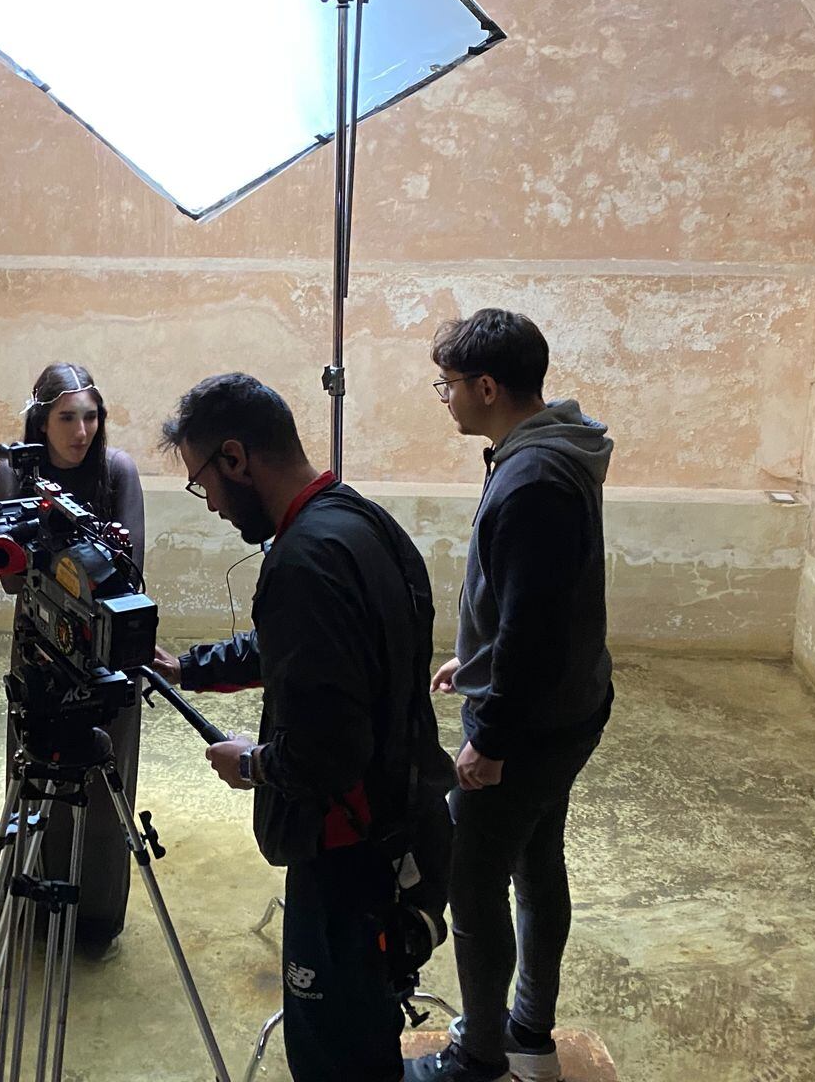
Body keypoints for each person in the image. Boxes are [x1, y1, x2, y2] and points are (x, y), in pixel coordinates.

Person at [150, 373, 454, 1082]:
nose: (215, 506)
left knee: (331, 1049)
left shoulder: (300, 563)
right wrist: (191, 668)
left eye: (206, 483)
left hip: (345, 851)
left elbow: (326, 752)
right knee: (367, 1022)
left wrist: (252, 763)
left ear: (235, 458)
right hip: (403, 823)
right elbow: (310, 652)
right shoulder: (360, 522)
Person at [406, 309, 616, 1082]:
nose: (447, 399)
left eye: (448, 385)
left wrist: (489, 739)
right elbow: (537, 599)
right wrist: (475, 660)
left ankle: (481, 1055)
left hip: (532, 724)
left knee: (471, 874)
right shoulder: (552, 449)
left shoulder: (530, 480)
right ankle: (528, 1028)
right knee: (536, 860)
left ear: (486, 386)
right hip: (569, 704)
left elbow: (533, 626)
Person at [0, 362, 146, 954]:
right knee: (33, 772)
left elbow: (128, 575)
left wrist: (67, 559)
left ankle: (97, 917)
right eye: (67, 417)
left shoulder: (117, 470)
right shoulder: (15, 468)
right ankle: (30, 905)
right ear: (41, 420)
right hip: (39, 644)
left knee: (105, 788)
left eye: (90, 416)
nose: (81, 430)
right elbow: (7, 577)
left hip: (107, 650)